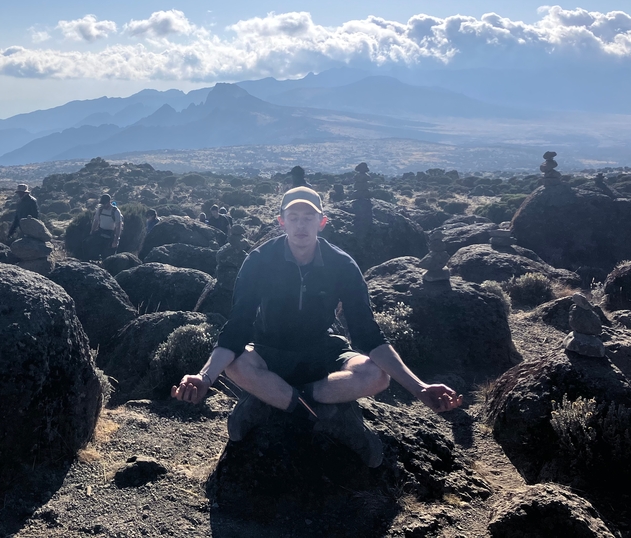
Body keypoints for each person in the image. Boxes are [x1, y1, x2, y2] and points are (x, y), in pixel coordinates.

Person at [172, 186, 463, 467]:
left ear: (322, 222)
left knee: (376, 375)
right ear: (281, 222)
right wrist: (204, 377)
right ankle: (328, 416)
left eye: (308, 217)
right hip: (268, 349)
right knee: (235, 364)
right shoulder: (259, 261)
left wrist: (419, 388)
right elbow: (236, 329)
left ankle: (270, 401)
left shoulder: (342, 264)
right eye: (294, 217)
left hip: (323, 351)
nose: (301, 225)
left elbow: (368, 334)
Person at [90, 194, 123, 258]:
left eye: (104, 204)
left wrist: (116, 240)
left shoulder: (115, 212)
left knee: (108, 255)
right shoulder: (100, 210)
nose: (103, 205)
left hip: (110, 235)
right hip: (100, 232)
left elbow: (118, 227)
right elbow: (96, 221)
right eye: (102, 203)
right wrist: (92, 231)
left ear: (109, 202)